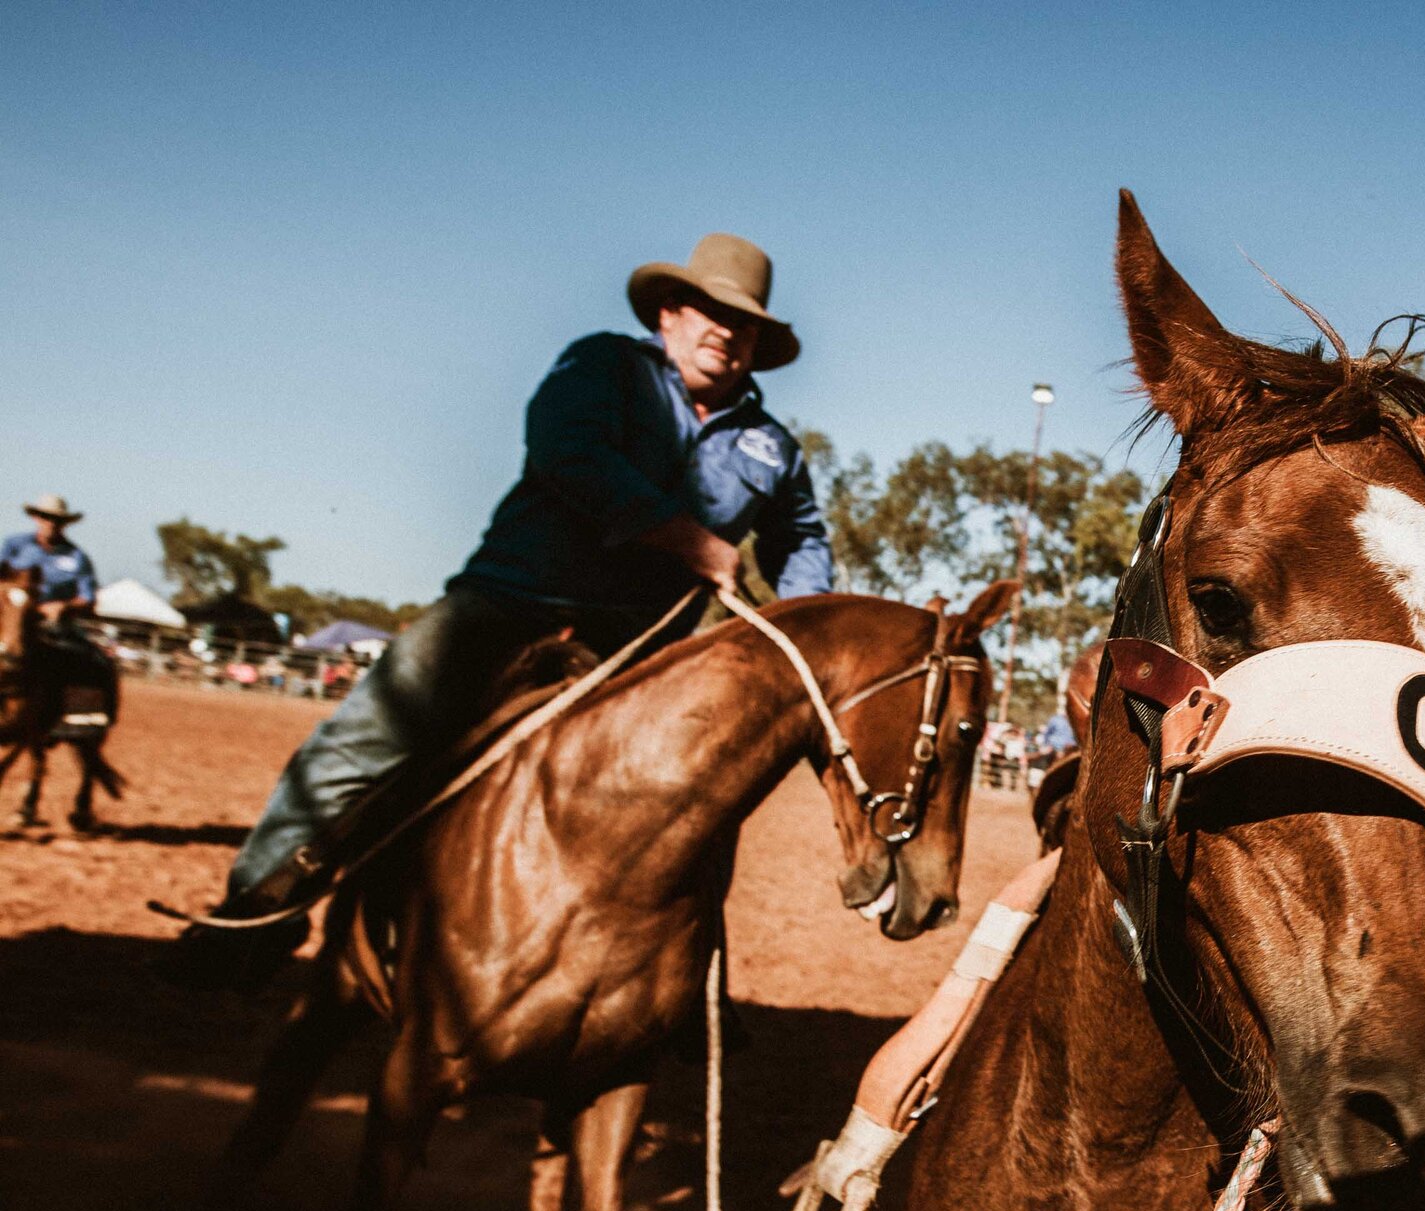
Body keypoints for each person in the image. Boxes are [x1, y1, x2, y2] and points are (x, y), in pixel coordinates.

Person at [171, 234, 834, 987]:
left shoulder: (773, 446)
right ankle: (251, 913)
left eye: (743, 322)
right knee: (365, 737)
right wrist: (693, 541)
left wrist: (810, 622)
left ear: (758, 342)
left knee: (703, 798)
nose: (725, 330)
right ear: (670, 312)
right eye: (710, 311)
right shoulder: (604, 366)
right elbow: (569, 453)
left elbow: (801, 537)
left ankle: (687, 984)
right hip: (515, 600)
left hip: (646, 647)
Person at [3, 493, 120, 719]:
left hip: (55, 625)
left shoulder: (77, 557)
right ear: (36, 518)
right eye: (46, 517)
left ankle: (81, 717)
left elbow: (88, 598)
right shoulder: (14, 545)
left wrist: (63, 606)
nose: (51, 523)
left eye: (57, 519)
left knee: (93, 660)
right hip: (11, 617)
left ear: (65, 524)